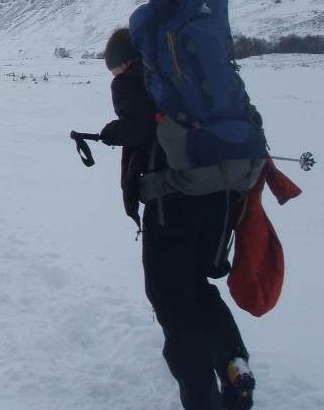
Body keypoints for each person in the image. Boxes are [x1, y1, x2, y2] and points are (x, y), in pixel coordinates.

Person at [98, 27, 256, 410]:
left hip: (173, 203)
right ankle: (235, 365)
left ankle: (201, 398)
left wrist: (111, 132)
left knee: (172, 300)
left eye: (112, 64)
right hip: (222, 198)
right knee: (197, 285)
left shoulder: (134, 79)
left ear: (123, 58)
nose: (113, 72)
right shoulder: (197, 77)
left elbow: (137, 127)